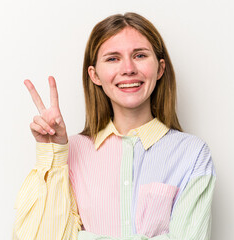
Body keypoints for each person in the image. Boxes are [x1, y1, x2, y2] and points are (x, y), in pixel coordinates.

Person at [13, 12, 216, 240]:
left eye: (139, 55)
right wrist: (53, 152)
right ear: (95, 75)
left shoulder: (193, 154)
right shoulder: (71, 151)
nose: (128, 68)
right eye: (112, 58)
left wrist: (81, 237)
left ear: (160, 69)